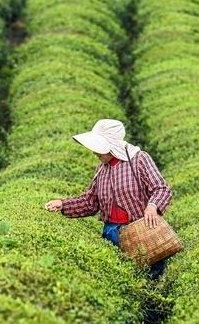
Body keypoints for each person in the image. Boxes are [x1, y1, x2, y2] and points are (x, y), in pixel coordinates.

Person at [44, 119, 173, 280]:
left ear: (111, 145)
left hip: (141, 232)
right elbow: (90, 202)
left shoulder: (139, 159)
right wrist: (62, 204)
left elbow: (161, 188)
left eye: (98, 148)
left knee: (151, 277)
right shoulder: (101, 169)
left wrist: (153, 206)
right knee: (123, 279)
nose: (94, 152)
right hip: (111, 232)